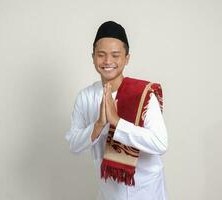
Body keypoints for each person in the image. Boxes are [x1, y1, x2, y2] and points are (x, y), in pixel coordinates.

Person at [65, 21, 168, 200]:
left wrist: (117, 122)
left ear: (127, 58)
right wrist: (98, 126)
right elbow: (74, 145)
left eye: (115, 55)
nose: (108, 61)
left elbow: (160, 143)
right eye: (101, 55)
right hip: (109, 193)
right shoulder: (85, 97)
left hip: (147, 192)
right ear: (93, 57)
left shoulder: (143, 95)